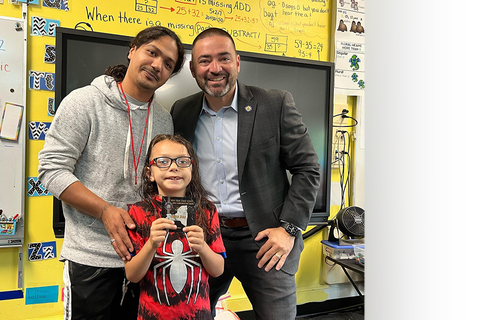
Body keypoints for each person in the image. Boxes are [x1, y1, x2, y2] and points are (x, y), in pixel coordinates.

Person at [170, 28, 321, 320]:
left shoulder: (274, 104)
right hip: (205, 236)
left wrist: (289, 229)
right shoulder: (182, 111)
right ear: (192, 69)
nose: (215, 68)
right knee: (190, 315)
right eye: (204, 61)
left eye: (223, 58)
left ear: (237, 62)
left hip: (265, 239)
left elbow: (307, 168)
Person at [37, 26, 185, 320]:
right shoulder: (84, 102)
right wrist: (105, 210)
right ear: (132, 50)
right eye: (152, 52)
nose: (157, 65)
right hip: (92, 258)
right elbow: (51, 170)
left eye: (168, 64)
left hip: (145, 257)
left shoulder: (164, 120)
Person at [124, 134, 226, 320]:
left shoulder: (207, 210)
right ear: (150, 173)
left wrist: (202, 247)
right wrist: (151, 245)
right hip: (152, 315)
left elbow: (218, 269)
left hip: (198, 315)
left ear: (192, 169)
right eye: (163, 161)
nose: (173, 166)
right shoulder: (138, 213)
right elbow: (132, 275)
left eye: (182, 161)